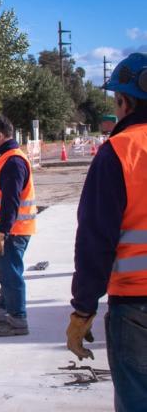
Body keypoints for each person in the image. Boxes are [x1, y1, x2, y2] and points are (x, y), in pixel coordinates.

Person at [67, 52, 147, 411]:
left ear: (124, 101)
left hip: (136, 307)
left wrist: (83, 309)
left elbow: (94, 242)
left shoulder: (119, 152)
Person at [0, 115, 36, 336]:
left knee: (11, 275)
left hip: (13, 230)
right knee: (6, 274)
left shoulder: (13, 162)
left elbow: (10, 202)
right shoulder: (8, 157)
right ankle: (2, 312)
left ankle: (18, 321)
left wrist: (1, 233)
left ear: (0, 136)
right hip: (11, 229)